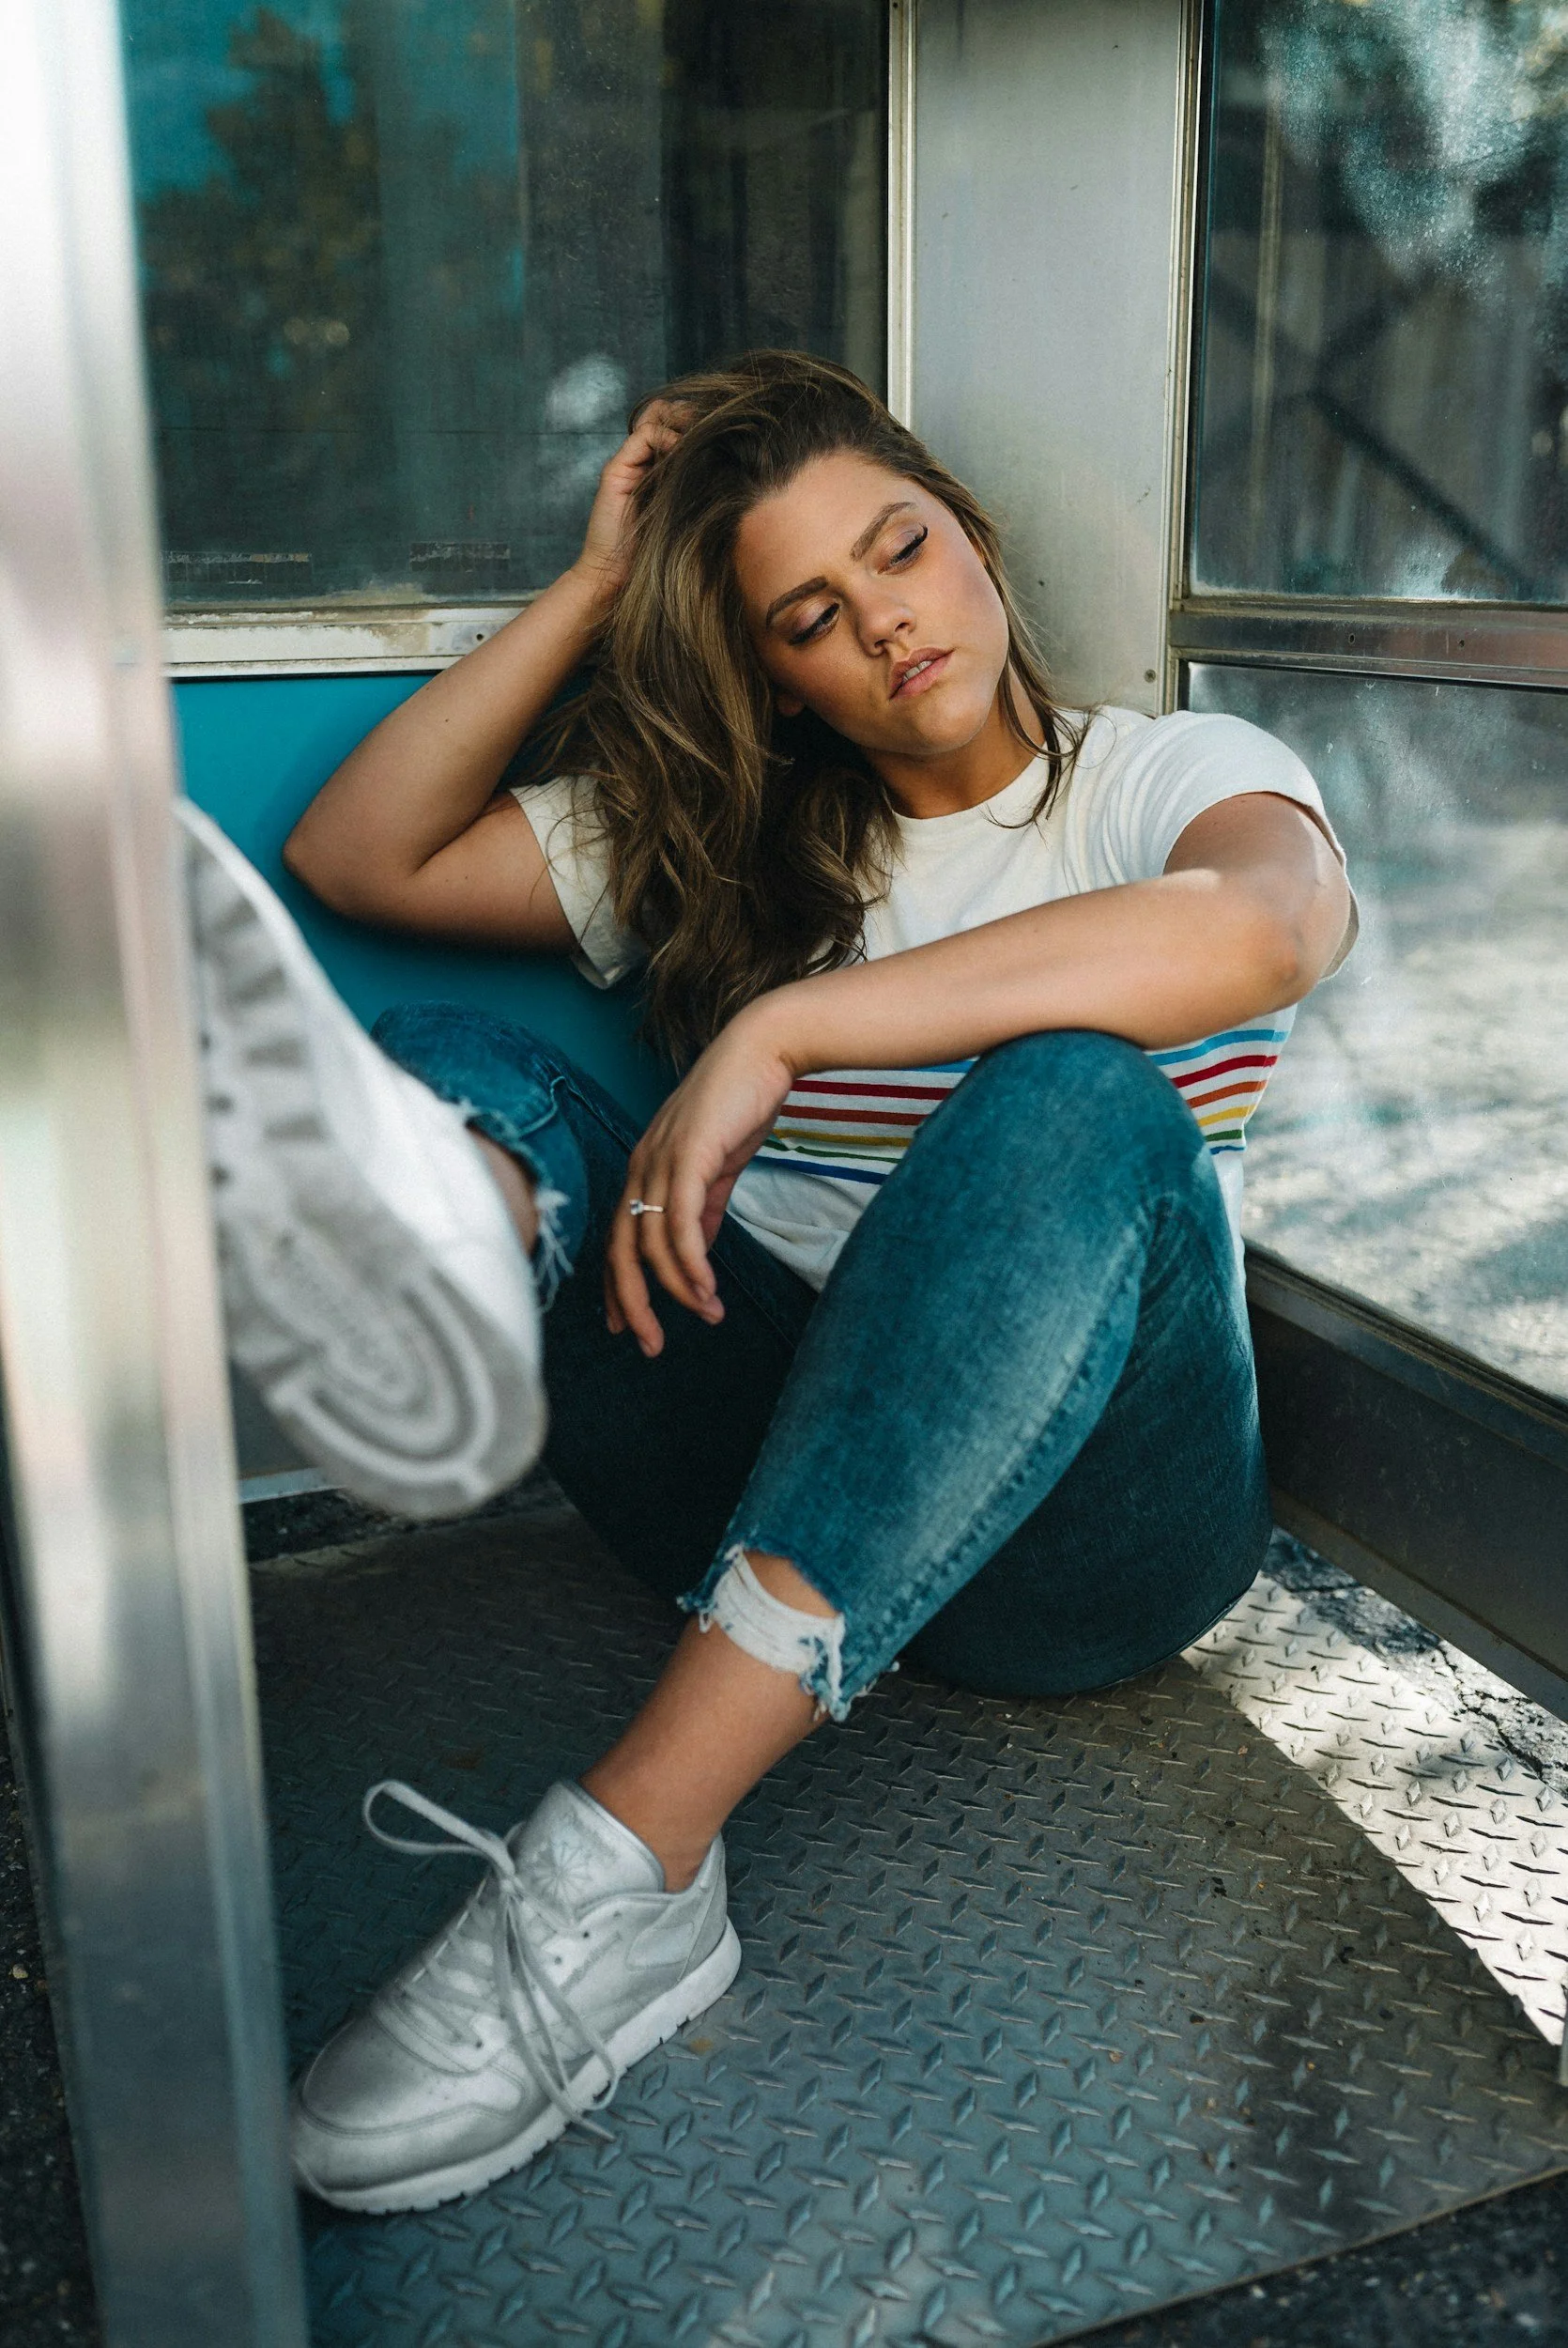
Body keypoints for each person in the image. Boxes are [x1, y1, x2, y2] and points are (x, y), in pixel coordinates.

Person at [179, 350, 1355, 2216]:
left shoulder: (1159, 774)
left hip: (1091, 1555)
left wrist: (790, 1026)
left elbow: (1265, 922)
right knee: (466, 1068)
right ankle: (431, 1280)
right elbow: (357, 853)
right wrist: (592, 582)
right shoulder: (737, 840)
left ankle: (627, 1870)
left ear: (967, 533)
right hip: (757, 1493)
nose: (882, 621)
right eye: (808, 614)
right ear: (773, 669)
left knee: (1069, 1089)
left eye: (899, 548)